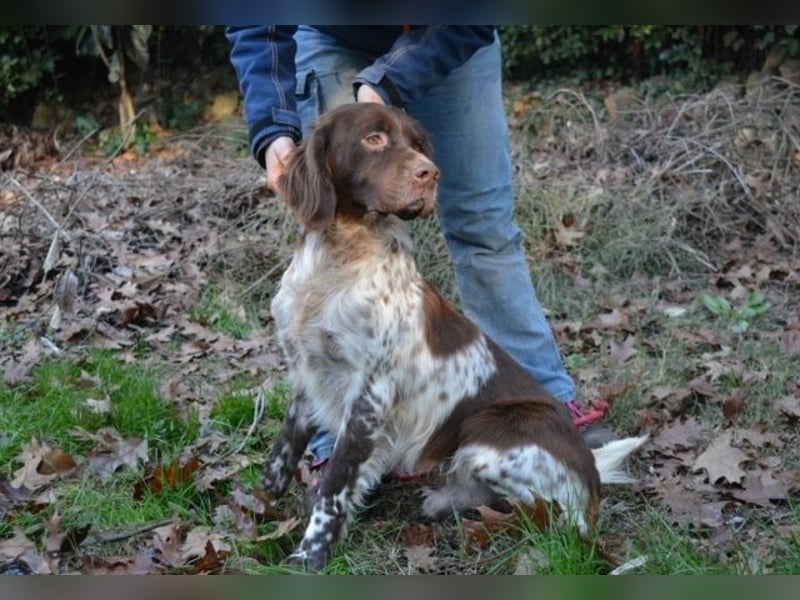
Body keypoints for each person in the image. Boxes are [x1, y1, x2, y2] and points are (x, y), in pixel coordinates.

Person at [226, 26, 613, 471]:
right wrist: (272, 127)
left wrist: (386, 82)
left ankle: (543, 407)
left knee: (483, 226)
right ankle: (335, 444)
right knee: (333, 225)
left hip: (449, 33)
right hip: (332, 34)